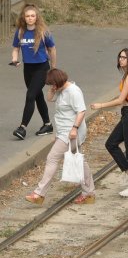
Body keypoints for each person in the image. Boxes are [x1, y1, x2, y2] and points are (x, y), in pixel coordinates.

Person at [24, 68, 95, 205]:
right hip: (65, 131)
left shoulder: (73, 91)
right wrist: (53, 89)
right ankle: (89, 192)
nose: (52, 87)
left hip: (71, 132)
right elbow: (49, 99)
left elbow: (81, 111)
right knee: (79, 161)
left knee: (52, 158)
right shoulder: (61, 90)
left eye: (52, 84)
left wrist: (74, 129)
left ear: (59, 81)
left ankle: (39, 193)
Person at [90, 48, 128, 198]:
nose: (120, 60)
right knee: (111, 143)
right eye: (120, 57)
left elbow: (121, 100)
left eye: (124, 58)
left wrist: (100, 105)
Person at [10, 3, 57, 140]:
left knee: (30, 95)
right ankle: (47, 124)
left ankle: (22, 128)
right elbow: (15, 48)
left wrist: (53, 68)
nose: (30, 18)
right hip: (28, 69)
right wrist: (14, 59)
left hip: (42, 68)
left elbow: (52, 50)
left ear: (37, 17)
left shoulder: (44, 32)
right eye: (27, 16)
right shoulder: (20, 32)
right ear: (23, 18)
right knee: (37, 96)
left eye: (32, 16)